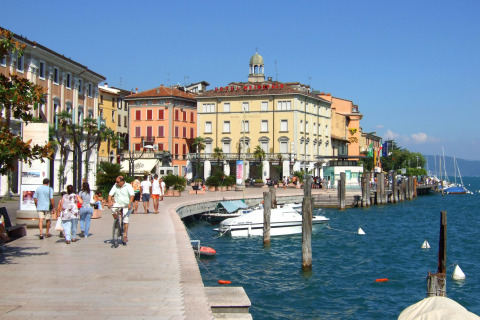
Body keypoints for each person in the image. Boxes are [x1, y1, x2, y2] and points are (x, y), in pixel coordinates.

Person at [107, 176, 134, 243]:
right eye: (116, 181)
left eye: (118, 182)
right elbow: (110, 195)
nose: (116, 183)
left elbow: (132, 195)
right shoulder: (115, 186)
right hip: (118, 203)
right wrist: (109, 202)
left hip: (126, 204)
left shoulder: (128, 186)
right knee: (113, 210)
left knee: (126, 218)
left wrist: (130, 203)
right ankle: (116, 222)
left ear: (122, 182)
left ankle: (125, 235)